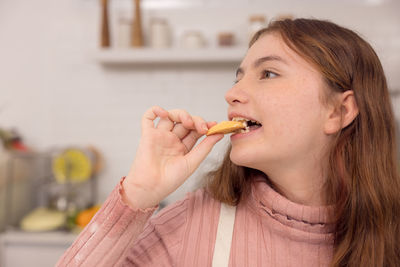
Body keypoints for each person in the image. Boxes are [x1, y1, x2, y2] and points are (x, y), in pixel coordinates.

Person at [56, 18, 400, 267]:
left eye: (268, 73)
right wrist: (138, 195)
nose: (232, 94)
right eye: (239, 77)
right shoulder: (192, 223)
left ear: (339, 112)